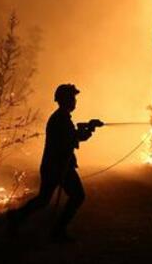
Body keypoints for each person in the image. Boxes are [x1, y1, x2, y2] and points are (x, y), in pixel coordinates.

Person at [8, 83, 99, 243]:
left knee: (43, 200)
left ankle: (16, 218)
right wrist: (88, 129)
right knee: (77, 196)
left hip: (55, 165)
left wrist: (87, 129)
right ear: (64, 100)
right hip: (58, 166)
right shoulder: (60, 119)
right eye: (72, 98)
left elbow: (74, 137)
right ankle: (57, 231)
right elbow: (71, 140)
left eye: (74, 98)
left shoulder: (62, 117)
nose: (74, 101)